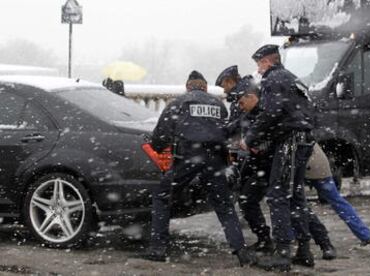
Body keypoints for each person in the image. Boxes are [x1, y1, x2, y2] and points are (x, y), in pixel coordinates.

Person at [134, 71, 257, 267]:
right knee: (224, 206)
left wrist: (157, 146)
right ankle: (241, 251)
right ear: (206, 87)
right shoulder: (218, 104)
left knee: (162, 196)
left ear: (187, 86)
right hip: (216, 158)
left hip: (188, 157)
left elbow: (162, 134)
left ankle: (158, 248)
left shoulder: (179, 102)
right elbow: (227, 131)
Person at [235, 76, 336, 266]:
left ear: (252, 97)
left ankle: (323, 243)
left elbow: (280, 138)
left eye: (242, 102)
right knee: (250, 200)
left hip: (279, 165)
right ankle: (269, 241)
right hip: (262, 169)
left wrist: (258, 146)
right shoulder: (250, 116)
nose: (241, 107)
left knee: (295, 204)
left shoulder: (269, 111)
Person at [240, 44, 315, 271]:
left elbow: (271, 113)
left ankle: (283, 254)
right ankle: (304, 250)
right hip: (304, 139)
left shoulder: (274, 79)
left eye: (259, 65)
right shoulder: (293, 78)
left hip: (290, 142)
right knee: (296, 196)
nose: (258, 71)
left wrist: (250, 138)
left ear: (267, 62)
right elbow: (307, 110)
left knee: (278, 195)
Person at [305, 144, 370, 245]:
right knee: (337, 201)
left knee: (295, 203)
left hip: (303, 163)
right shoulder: (305, 132)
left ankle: (296, 237)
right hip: (319, 163)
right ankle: (365, 235)